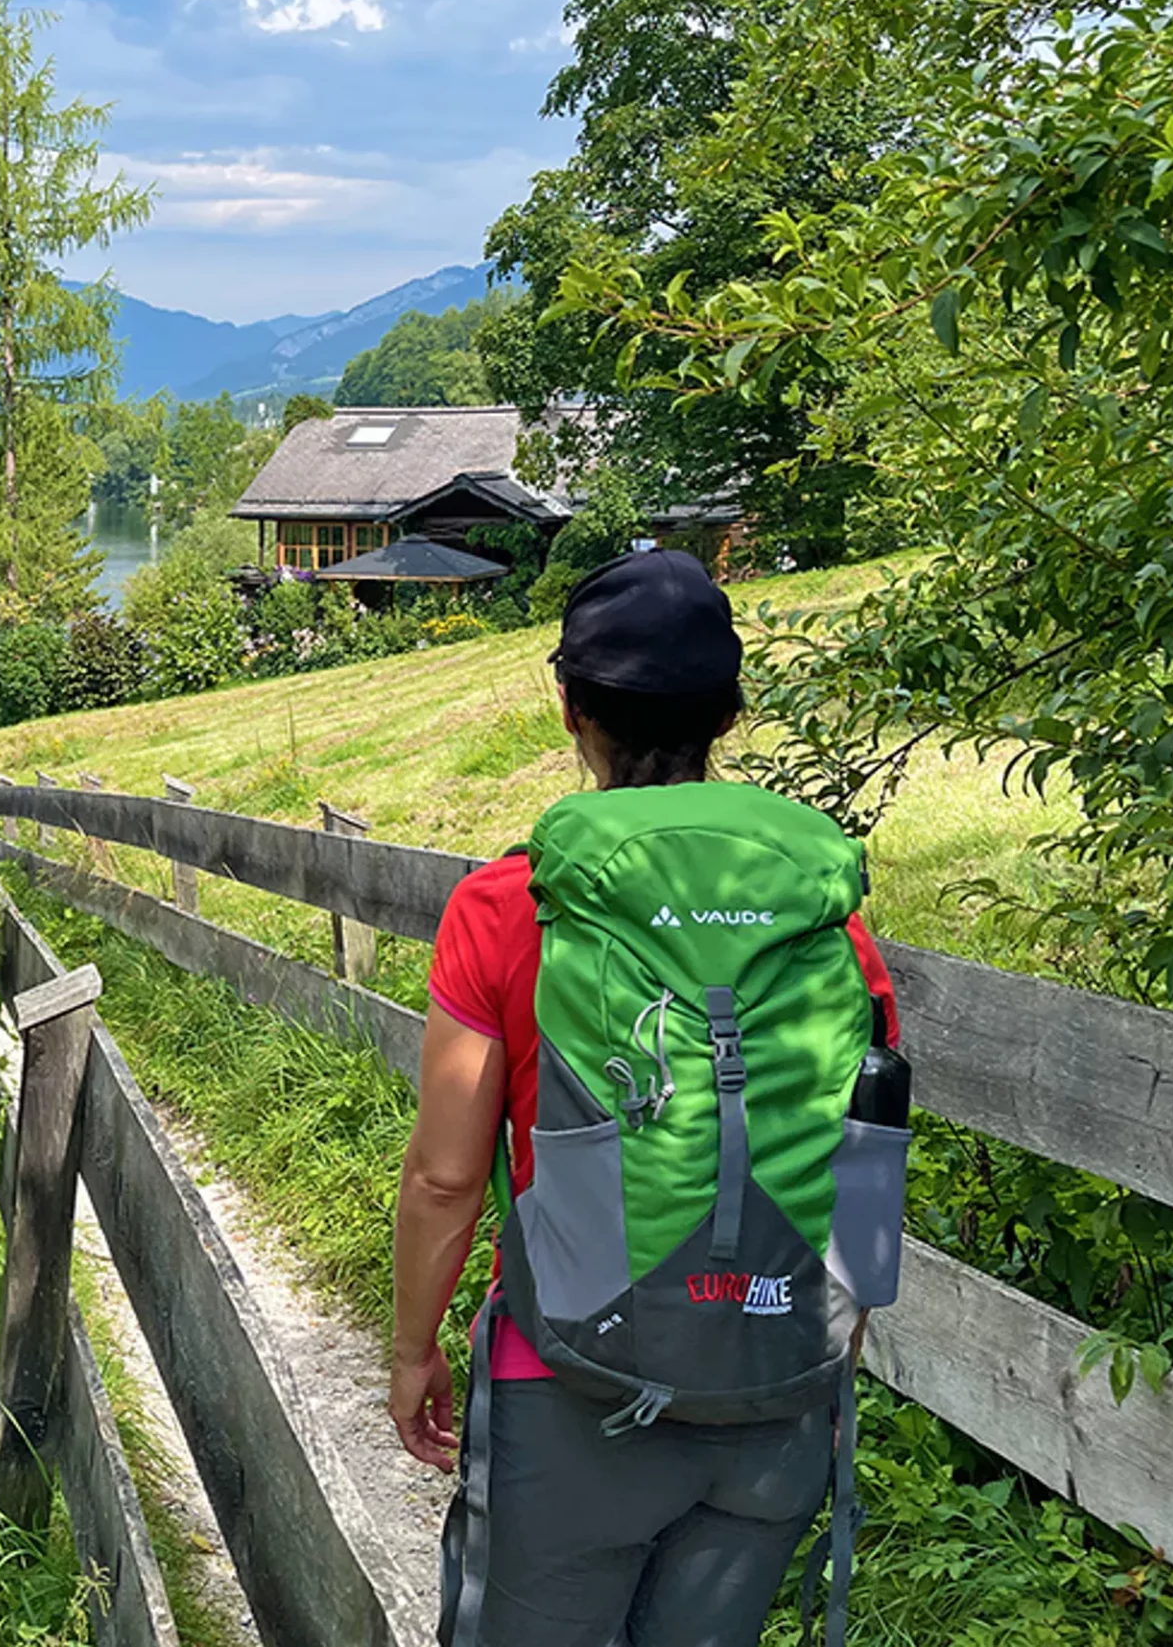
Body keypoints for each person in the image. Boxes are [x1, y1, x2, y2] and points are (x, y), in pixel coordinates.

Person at [388, 548, 902, 1647]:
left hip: (565, 1380)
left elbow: (443, 1174)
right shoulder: (824, 917)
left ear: (570, 705)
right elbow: (864, 1149)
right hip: (775, 1381)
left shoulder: (508, 905)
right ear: (730, 710)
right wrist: (818, 1354)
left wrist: (411, 1348)